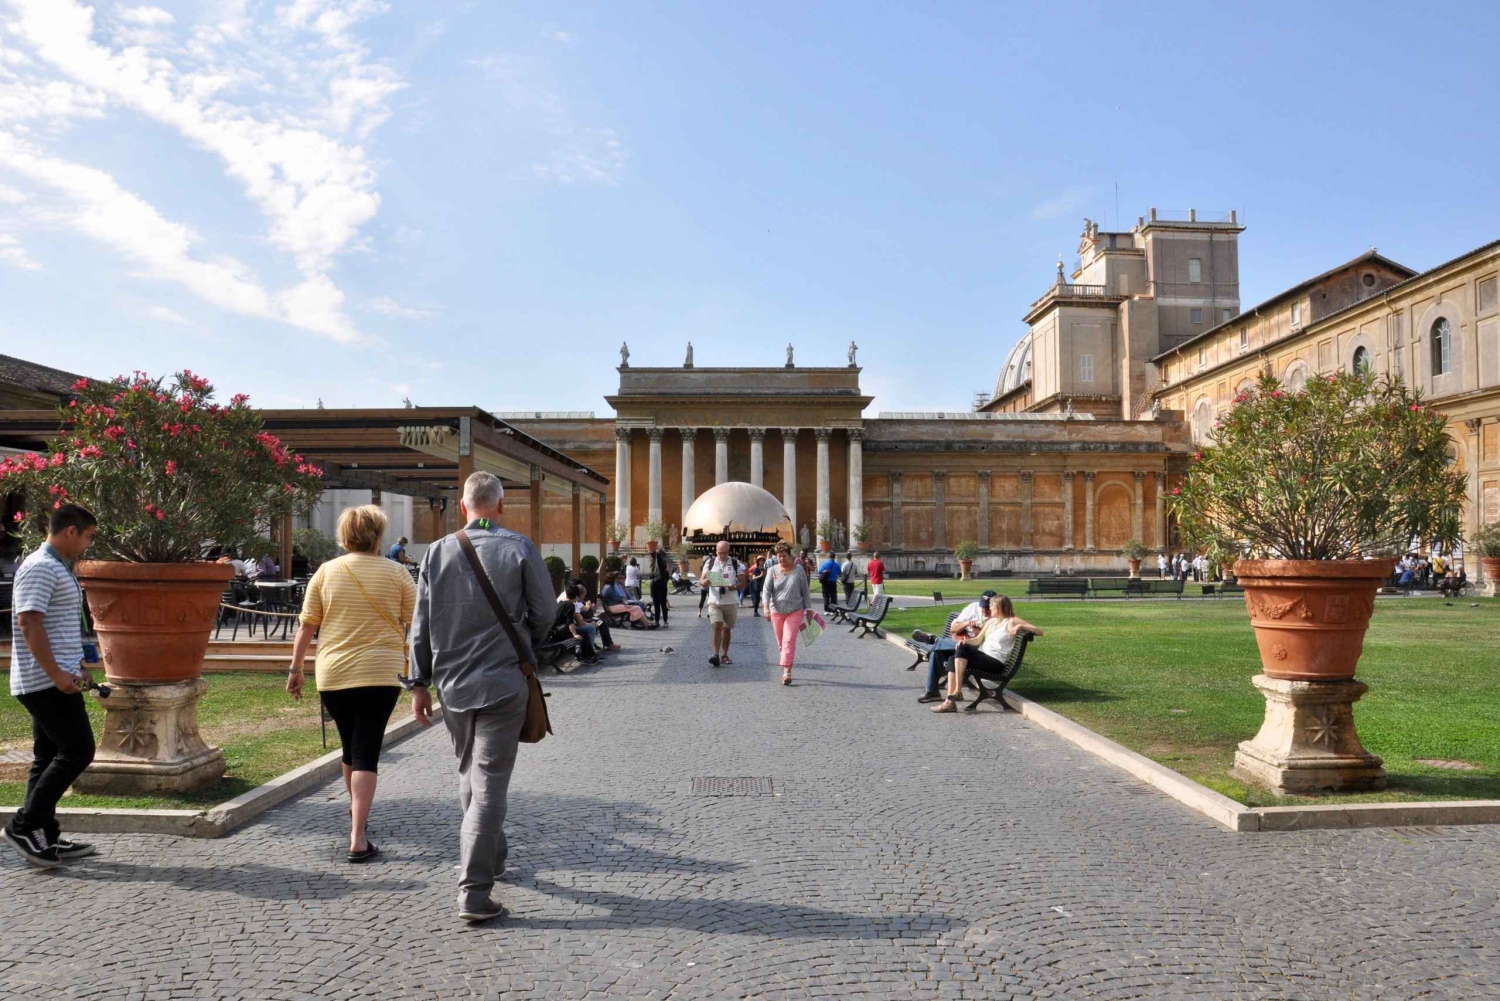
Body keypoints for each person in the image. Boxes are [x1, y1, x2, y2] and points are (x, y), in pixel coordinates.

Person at [409, 471, 556, 924]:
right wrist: (523, 641)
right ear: (500, 505)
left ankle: (492, 859)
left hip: (453, 685)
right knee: (488, 782)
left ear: (463, 508)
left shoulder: (436, 551)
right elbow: (546, 610)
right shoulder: (519, 547)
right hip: (502, 680)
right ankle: (473, 892)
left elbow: (421, 623)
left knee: (470, 773)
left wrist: (419, 682)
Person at [287, 504, 415, 863]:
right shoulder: (398, 573)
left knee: (350, 746)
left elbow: (307, 626)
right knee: (366, 750)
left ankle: (356, 811)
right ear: (378, 535)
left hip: (334, 673)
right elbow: (417, 622)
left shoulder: (325, 572)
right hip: (381, 671)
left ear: (344, 535)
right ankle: (358, 835)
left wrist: (295, 669)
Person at [4, 504, 99, 869]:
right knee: (78, 751)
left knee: (47, 758)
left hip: (58, 677)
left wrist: (78, 667)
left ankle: (43, 836)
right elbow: (29, 623)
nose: (88, 545)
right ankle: (24, 826)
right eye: (88, 537)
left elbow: (58, 627)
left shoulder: (58, 567)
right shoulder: (42, 567)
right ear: (70, 531)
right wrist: (57, 675)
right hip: (45, 681)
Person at [931, 596, 1043, 713]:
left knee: (958, 654)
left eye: (991, 606)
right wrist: (965, 641)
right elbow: (978, 640)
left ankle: (957, 693)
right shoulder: (991, 621)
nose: (989, 608)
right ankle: (950, 701)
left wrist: (1020, 626)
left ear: (999, 608)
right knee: (953, 658)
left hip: (995, 662)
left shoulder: (1012, 620)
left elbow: (1039, 631)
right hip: (983, 655)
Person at [917, 590, 995, 704]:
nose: (984, 610)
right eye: (982, 606)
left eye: (987, 608)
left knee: (939, 647)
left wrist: (977, 631)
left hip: (976, 650)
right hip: (961, 644)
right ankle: (932, 691)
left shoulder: (996, 616)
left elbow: (985, 641)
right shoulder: (972, 608)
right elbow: (953, 629)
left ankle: (934, 640)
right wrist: (966, 624)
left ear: (994, 606)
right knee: (937, 652)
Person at [761, 541, 812, 685]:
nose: (781, 559)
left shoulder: (799, 570)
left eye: (784, 556)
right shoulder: (772, 571)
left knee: (789, 640)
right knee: (781, 643)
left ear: (790, 556)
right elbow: (766, 590)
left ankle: (786, 672)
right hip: (776, 610)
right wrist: (765, 607)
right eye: (779, 556)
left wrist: (808, 609)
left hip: (795, 610)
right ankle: (786, 662)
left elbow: (805, 591)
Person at [703, 540, 744, 667]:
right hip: (714, 601)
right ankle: (715, 655)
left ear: (728, 551)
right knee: (717, 625)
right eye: (720, 553)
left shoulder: (736, 563)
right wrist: (703, 582)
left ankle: (724, 654)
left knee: (727, 629)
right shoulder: (710, 563)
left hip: (730, 601)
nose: (722, 555)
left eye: (724, 553)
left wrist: (735, 586)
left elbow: (743, 583)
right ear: (716, 551)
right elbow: (701, 578)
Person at [649, 546, 670, 626]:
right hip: (659, 586)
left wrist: (656, 553)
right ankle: (661, 621)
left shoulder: (660, 563)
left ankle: (660, 621)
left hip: (658, 585)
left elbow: (657, 557)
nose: (650, 558)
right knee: (659, 604)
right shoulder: (655, 565)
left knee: (659, 604)